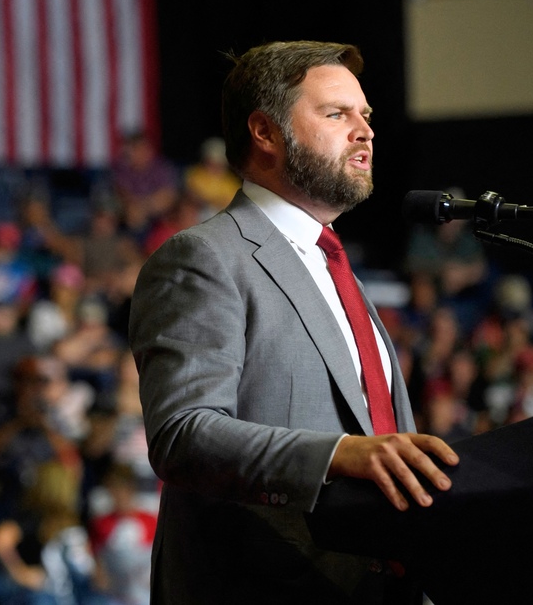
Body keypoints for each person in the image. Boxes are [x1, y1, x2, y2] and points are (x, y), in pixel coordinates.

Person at [128, 41, 459, 604]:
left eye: (366, 116)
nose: (365, 131)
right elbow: (183, 433)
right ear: (265, 131)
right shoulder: (206, 256)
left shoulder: (338, 270)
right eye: (337, 114)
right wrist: (337, 455)